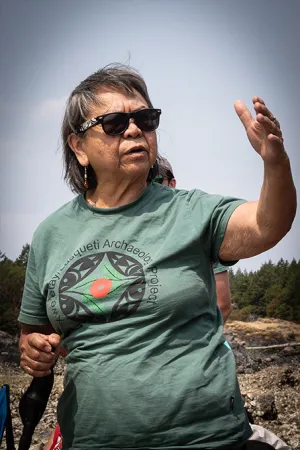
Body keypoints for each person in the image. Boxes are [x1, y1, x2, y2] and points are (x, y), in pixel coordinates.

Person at [19, 63, 296, 450]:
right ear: (78, 147)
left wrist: (276, 163)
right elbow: (32, 332)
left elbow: (270, 224)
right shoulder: (50, 234)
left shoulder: (192, 211)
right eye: (115, 123)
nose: (135, 130)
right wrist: (34, 351)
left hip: (208, 441)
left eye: (146, 119)